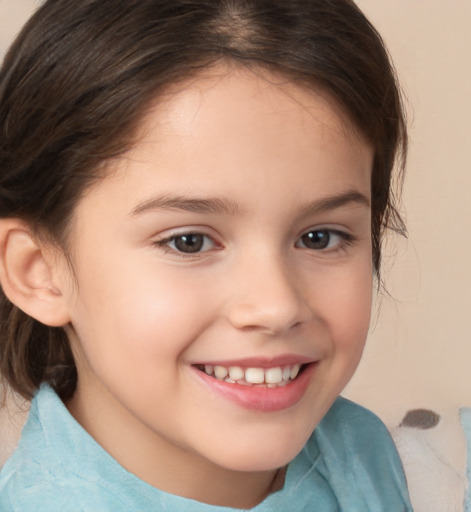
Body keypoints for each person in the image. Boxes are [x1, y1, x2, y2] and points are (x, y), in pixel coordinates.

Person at [0, 0, 412, 510]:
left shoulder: (417, 472)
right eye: (188, 241)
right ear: (38, 272)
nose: (276, 305)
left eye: (320, 237)